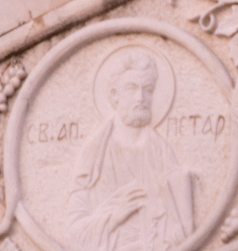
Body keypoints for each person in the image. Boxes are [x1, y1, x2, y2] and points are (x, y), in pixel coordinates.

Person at [65, 44, 198, 251]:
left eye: (148, 90)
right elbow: (73, 234)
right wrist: (113, 217)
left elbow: (180, 230)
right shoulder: (93, 157)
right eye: (131, 88)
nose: (141, 98)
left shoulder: (161, 152)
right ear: (114, 95)